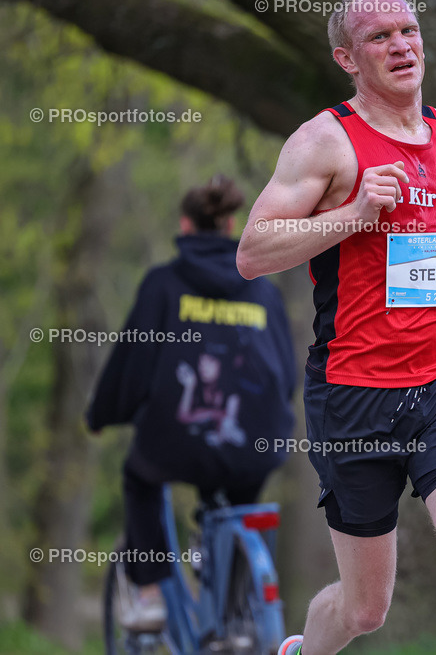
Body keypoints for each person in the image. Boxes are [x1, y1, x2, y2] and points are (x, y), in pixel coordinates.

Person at [235, 0, 436, 655]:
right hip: (354, 391)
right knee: (364, 606)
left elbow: (433, 226)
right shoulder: (325, 141)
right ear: (347, 58)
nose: (402, 45)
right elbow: (253, 252)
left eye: (408, 30)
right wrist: (351, 214)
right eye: (380, 38)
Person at [87, 175, 296, 631]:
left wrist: (103, 415)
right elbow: (287, 375)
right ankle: (232, 599)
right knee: (233, 485)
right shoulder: (264, 290)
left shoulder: (163, 285)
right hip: (254, 442)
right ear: (231, 226)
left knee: (139, 479)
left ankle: (148, 595)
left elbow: (132, 363)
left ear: (185, 225)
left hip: (175, 440)